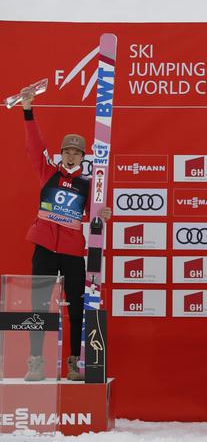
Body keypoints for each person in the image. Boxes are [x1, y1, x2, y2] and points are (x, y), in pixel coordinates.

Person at [21, 95, 112, 381]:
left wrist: (105, 213)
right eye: (67, 152)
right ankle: (35, 361)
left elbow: (96, 213)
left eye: (76, 152)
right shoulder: (48, 172)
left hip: (73, 253)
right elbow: (34, 146)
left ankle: (73, 362)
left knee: (76, 305)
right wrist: (27, 111)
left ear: (84, 157)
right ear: (61, 154)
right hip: (45, 248)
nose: (71, 156)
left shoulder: (88, 184)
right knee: (39, 306)